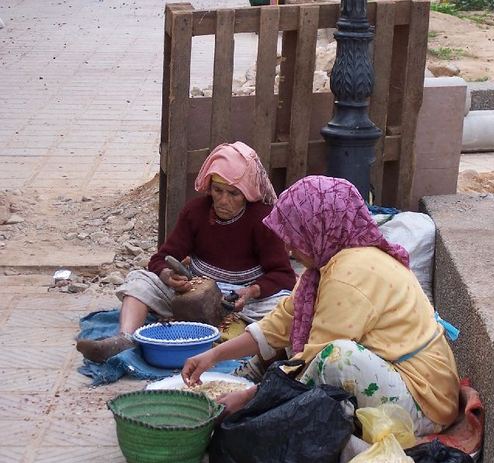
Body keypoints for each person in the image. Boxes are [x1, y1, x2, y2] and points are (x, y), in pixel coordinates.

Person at [183, 175, 460, 435]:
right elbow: (280, 323)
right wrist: (213, 356)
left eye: (295, 236)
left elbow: (315, 358)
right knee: (299, 341)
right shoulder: (329, 266)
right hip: (407, 382)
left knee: (336, 356)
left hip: (424, 403)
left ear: (318, 229)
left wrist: (247, 398)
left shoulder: (350, 273)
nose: (290, 249)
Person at [76, 142, 296, 363]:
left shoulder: (263, 219)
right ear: (209, 188)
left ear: (247, 194)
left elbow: (283, 275)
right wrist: (167, 276)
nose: (223, 200)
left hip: (243, 301)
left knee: (288, 305)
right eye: (217, 191)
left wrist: (250, 292)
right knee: (139, 280)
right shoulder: (196, 212)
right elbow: (161, 258)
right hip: (194, 294)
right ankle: (124, 339)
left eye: (233, 194)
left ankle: (247, 350)